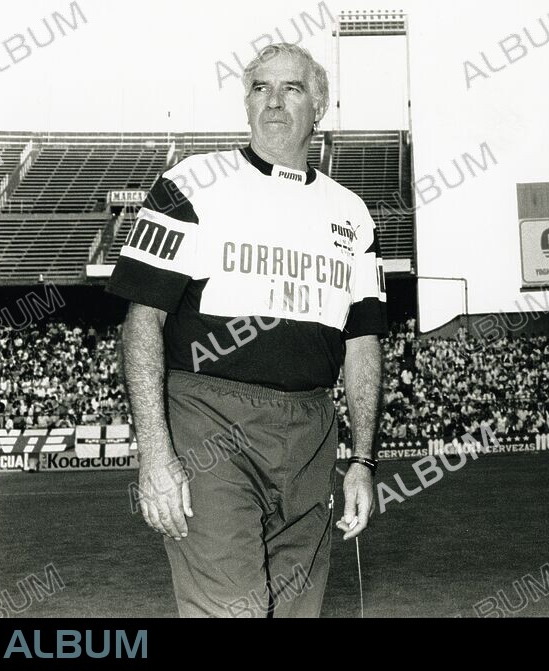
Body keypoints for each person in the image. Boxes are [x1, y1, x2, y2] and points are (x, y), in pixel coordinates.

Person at [107, 43, 387, 618]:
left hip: (311, 430)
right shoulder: (193, 183)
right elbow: (142, 323)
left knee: (296, 610)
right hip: (210, 422)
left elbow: (363, 345)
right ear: (246, 103)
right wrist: (156, 455)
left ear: (321, 106)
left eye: (291, 88)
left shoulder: (353, 215)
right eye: (260, 88)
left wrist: (363, 461)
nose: (274, 101)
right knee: (228, 609)